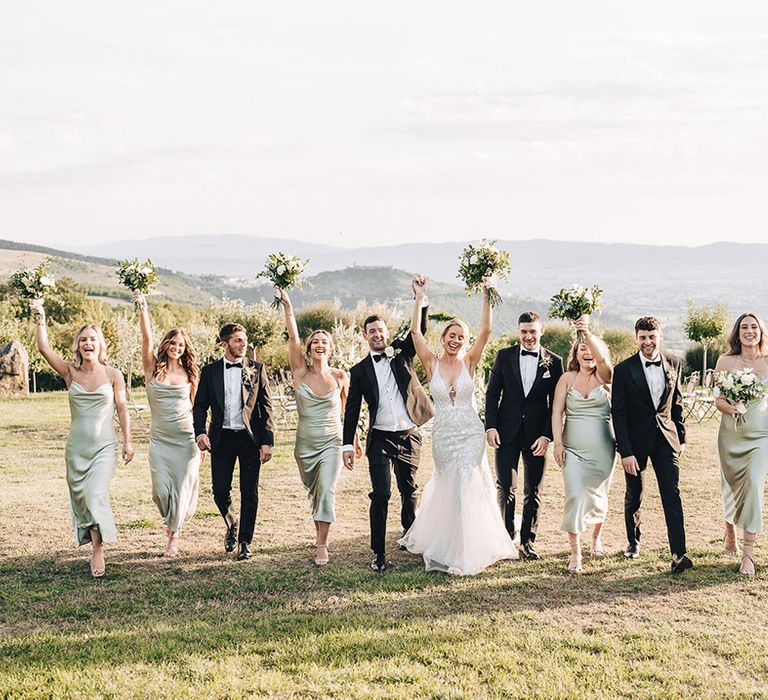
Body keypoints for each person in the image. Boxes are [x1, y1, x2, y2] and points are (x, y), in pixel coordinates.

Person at [399, 277, 518, 574]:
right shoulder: (430, 363)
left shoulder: (470, 362)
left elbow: (487, 330)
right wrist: (420, 297)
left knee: (467, 482)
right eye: (451, 335)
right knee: (450, 488)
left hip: (470, 433)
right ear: (443, 337)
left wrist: (487, 292)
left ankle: (464, 555)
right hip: (443, 435)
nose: (456, 340)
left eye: (461, 337)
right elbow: (414, 331)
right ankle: (447, 542)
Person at [29, 299, 134, 577]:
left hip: (104, 447)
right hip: (76, 449)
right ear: (77, 345)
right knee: (80, 498)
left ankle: (97, 547)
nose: (88, 343)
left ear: (100, 345)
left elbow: (122, 408)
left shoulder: (113, 374)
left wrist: (128, 442)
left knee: (95, 493)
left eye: (93, 339)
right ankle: (92, 536)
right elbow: (43, 348)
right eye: (83, 339)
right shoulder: (69, 372)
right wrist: (41, 317)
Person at [342, 280, 435, 573]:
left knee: (409, 490)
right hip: (380, 438)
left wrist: (420, 298)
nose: (378, 335)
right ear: (365, 337)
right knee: (381, 494)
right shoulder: (358, 371)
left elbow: (419, 330)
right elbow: (352, 410)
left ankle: (411, 536)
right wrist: (347, 444)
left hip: (410, 435)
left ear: (385, 332)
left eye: (381, 330)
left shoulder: (401, 351)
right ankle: (378, 553)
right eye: (372, 332)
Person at [611, 316, 692, 573]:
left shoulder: (674, 364)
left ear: (660, 336)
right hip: (635, 444)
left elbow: (676, 404)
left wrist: (681, 438)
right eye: (643, 337)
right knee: (634, 494)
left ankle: (679, 553)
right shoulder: (623, 370)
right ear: (636, 338)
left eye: (652, 336)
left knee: (672, 492)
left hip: (666, 440)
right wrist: (626, 451)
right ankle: (633, 542)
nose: (647, 341)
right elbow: (619, 414)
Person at [278, 290, 353, 566]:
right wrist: (288, 307)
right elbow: (293, 338)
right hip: (305, 447)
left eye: (325, 342)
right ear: (309, 349)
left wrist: (351, 441)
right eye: (316, 342)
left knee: (327, 489)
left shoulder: (341, 377)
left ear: (331, 349)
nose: (320, 345)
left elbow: (348, 412)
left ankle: (322, 544)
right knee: (316, 492)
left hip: (332, 442)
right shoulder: (300, 373)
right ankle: (319, 530)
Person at [485, 311, 564, 560]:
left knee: (533, 490)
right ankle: (507, 537)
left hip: (536, 438)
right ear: (518, 332)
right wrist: (491, 426)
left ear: (541, 331)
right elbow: (492, 394)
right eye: (524, 332)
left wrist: (547, 436)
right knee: (506, 487)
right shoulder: (504, 356)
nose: (528, 336)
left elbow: (556, 404)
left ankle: (528, 542)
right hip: (506, 433)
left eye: (532, 331)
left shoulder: (554, 361)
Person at [192, 323, 274, 562]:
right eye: (237, 340)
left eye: (244, 340)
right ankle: (232, 522)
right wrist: (200, 433)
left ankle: (245, 542)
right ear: (224, 344)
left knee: (249, 492)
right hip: (221, 438)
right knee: (219, 491)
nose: (243, 344)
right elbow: (199, 406)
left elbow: (266, 407)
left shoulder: (257, 369)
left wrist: (267, 441)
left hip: (250, 439)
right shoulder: (210, 371)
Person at [134, 292, 201, 557]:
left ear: (185, 349)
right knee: (160, 492)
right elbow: (146, 338)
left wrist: (202, 443)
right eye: (173, 343)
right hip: (160, 441)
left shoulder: (190, 373)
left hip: (186, 440)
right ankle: (171, 522)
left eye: (181, 345)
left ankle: (173, 536)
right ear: (166, 345)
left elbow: (197, 410)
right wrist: (143, 308)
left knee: (183, 487)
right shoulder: (152, 368)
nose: (176, 348)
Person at [552, 317, 615, 573]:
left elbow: (603, 363)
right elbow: (557, 413)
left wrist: (587, 334)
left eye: (591, 348)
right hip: (573, 450)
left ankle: (596, 537)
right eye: (582, 349)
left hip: (603, 450)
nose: (587, 352)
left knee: (599, 495)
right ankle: (576, 553)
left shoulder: (606, 377)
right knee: (575, 495)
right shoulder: (566, 379)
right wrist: (558, 443)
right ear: (575, 355)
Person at [714, 312, 768, 576]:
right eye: (744, 327)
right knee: (732, 488)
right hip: (730, 436)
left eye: (754, 327)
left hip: (761, 437)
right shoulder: (725, 361)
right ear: (737, 333)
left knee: (754, 488)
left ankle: (748, 555)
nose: (750, 331)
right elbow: (718, 400)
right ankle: (729, 531)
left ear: (760, 331)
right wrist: (731, 407)